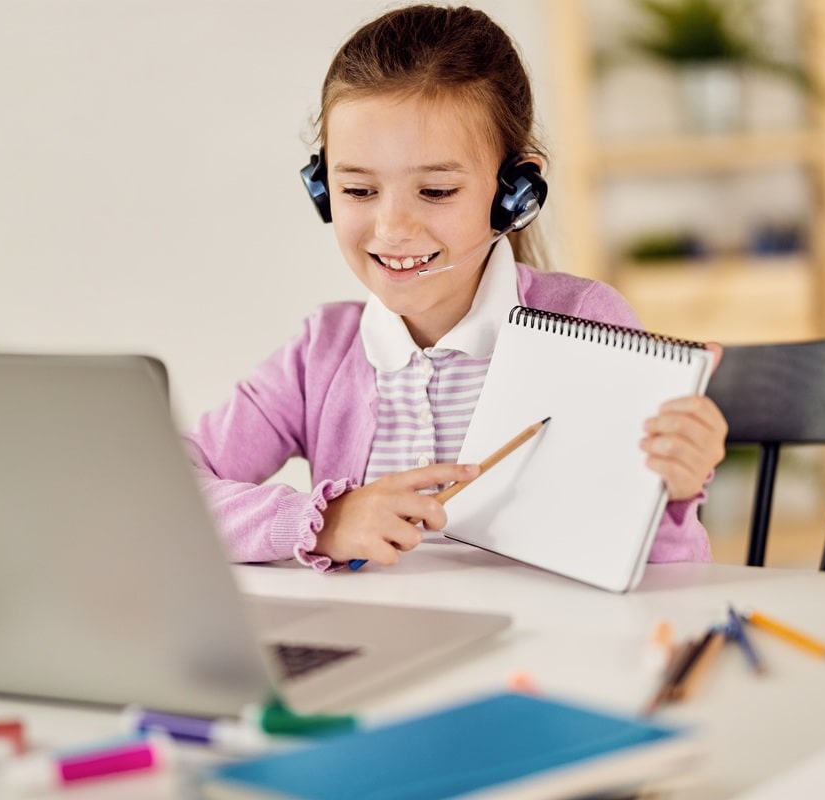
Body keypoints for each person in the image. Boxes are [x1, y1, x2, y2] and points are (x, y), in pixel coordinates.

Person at [185, 4, 727, 572]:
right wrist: (323, 522)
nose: (393, 229)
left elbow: (660, 580)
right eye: (358, 190)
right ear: (323, 189)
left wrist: (670, 491)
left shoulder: (588, 324)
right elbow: (172, 490)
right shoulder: (319, 354)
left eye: (437, 191)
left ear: (515, 193)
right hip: (389, 651)